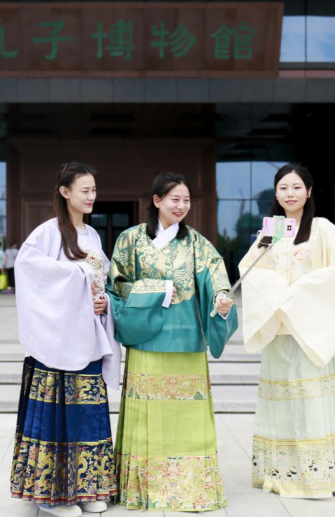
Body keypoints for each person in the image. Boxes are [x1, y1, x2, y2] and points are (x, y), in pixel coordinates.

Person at [107, 172, 237, 512]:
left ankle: (191, 488)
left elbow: (216, 277)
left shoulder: (197, 243)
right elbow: (117, 285)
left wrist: (221, 299)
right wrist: (160, 289)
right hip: (146, 339)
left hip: (187, 339)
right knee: (148, 414)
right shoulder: (130, 240)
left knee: (188, 417)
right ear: (157, 201)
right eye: (174, 199)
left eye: (186, 200)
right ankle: (144, 488)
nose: (181, 206)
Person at [239, 164, 335, 498]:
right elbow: (250, 270)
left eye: (296, 187)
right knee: (281, 402)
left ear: (309, 191)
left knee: (311, 400)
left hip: (310, 329)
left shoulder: (323, 230)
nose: (289, 194)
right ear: (276, 193)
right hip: (279, 328)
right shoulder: (270, 232)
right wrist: (279, 291)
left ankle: (318, 475)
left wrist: (296, 291)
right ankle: (282, 472)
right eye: (283, 188)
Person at [11, 163, 121, 517]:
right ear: (65, 192)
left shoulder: (92, 235)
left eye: (94, 190)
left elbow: (102, 280)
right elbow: (30, 273)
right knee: (55, 418)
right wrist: (80, 274)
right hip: (56, 341)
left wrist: (104, 301)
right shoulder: (45, 234)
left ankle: (87, 488)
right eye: (85, 190)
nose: (91, 196)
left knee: (88, 415)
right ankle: (52, 495)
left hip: (88, 339)